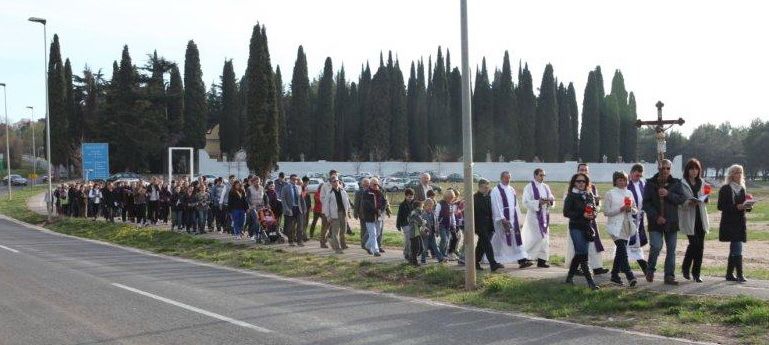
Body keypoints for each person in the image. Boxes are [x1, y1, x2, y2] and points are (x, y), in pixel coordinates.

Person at [643, 159, 687, 285]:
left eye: (668, 168)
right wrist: (656, 217)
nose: (665, 171)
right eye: (663, 168)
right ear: (658, 169)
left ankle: (669, 276)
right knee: (656, 246)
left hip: (671, 222)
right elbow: (646, 204)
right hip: (655, 222)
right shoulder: (651, 183)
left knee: (671, 250)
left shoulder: (676, 183)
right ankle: (650, 269)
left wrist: (668, 194)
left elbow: (681, 199)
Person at [566, 163, 609, 276]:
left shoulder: (592, 187)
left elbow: (597, 204)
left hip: (590, 220)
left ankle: (597, 267)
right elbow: (568, 210)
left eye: (585, 170)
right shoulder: (572, 188)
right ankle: (577, 269)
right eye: (581, 170)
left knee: (593, 244)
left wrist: (594, 212)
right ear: (577, 171)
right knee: (578, 247)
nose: (583, 171)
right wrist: (582, 213)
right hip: (576, 222)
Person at [563, 173, 600, 290]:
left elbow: (595, 210)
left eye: (583, 181)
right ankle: (591, 282)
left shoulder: (589, 195)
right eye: (578, 181)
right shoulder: (571, 195)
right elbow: (566, 212)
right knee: (583, 254)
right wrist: (582, 214)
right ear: (574, 182)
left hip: (587, 227)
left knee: (579, 254)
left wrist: (592, 214)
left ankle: (569, 278)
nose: (581, 183)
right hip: (575, 227)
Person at [490, 171, 533, 268]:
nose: (507, 180)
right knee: (500, 240)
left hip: (513, 218)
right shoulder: (496, 190)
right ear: (501, 178)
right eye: (506, 178)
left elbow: (515, 204)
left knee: (516, 239)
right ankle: (494, 259)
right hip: (503, 219)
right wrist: (502, 218)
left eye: (509, 178)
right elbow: (495, 205)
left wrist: (518, 217)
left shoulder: (512, 189)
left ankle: (522, 260)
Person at [603, 171, 638, 287]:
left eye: (624, 180)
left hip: (627, 224)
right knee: (622, 250)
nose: (622, 182)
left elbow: (635, 209)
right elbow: (606, 212)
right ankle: (630, 275)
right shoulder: (610, 193)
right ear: (615, 181)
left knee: (620, 251)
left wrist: (630, 210)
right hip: (615, 225)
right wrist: (621, 209)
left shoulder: (629, 192)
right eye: (620, 180)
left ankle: (614, 275)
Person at [679, 158, 710, 283]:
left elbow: (704, 197)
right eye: (692, 168)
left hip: (700, 217)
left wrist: (706, 198)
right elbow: (680, 201)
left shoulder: (702, 182)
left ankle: (696, 273)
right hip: (689, 218)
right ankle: (686, 267)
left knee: (700, 246)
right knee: (694, 244)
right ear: (687, 170)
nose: (694, 171)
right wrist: (688, 202)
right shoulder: (682, 183)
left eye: (696, 168)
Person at [718, 164, 751, 283]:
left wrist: (748, 205)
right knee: (737, 247)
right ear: (731, 174)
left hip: (740, 222)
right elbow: (720, 206)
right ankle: (740, 274)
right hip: (729, 223)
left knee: (734, 248)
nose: (739, 174)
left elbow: (744, 207)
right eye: (736, 172)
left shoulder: (742, 188)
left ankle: (729, 274)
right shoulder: (725, 188)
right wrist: (736, 207)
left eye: (740, 172)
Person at [522, 168, 555, 268]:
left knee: (545, 238)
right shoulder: (528, 187)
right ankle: (524, 258)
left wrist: (550, 201)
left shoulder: (546, 187)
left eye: (543, 175)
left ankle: (542, 260)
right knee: (536, 237)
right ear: (535, 175)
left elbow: (552, 198)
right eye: (540, 175)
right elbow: (525, 202)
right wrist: (538, 202)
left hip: (545, 215)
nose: (542, 177)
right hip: (534, 216)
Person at [474, 179, 504, 272]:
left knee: (481, 245)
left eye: (488, 187)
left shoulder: (490, 197)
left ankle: (475, 262)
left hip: (489, 225)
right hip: (480, 225)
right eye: (485, 187)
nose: (487, 189)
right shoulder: (474, 198)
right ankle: (493, 263)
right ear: (480, 187)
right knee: (487, 244)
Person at [627, 164, 649, 274]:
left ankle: (621, 266)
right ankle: (645, 266)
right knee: (632, 242)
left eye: (640, 176)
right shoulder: (626, 185)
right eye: (636, 175)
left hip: (640, 217)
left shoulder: (643, 183)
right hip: (628, 218)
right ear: (631, 173)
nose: (638, 178)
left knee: (633, 243)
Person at [322, 176, 350, 253]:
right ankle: (337, 249)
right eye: (334, 181)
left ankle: (343, 245)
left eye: (337, 181)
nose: (336, 182)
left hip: (343, 213)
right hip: (334, 215)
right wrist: (328, 216)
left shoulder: (343, 191)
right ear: (331, 183)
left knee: (343, 231)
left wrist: (348, 211)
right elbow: (326, 205)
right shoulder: (329, 192)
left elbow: (347, 201)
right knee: (335, 232)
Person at [362, 177, 386, 256]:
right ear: (371, 184)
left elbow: (384, 202)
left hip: (379, 217)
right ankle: (376, 251)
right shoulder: (366, 193)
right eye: (375, 184)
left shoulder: (379, 192)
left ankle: (368, 245)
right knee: (373, 234)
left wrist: (381, 210)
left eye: (377, 184)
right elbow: (367, 205)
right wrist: (376, 210)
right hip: (370, 217)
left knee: (378, 233)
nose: (376, 186)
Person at [280, 174, 306, 246]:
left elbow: (301, 199)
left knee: (300, 226)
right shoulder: (285, 188)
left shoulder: (299, 187)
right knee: (290, 226)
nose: (295, 181)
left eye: (296, 179)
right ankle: (291, 241)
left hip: (298, 208)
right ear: (290, 180)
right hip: (290, 209)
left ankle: (299, 241)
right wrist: (287, 209)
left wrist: (304, 208)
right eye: (294, 179)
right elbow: (283, 199)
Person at [435, 190, 458, 260]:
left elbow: (452, 215)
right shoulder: (440, 204)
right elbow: (436, 215)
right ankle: (440, 254)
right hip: (441, 225)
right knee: (444, 239)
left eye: (452, 198)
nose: (451, 200)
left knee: (447, 240)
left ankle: (444, 254)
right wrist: (436, 225)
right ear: (446, 197)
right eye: (450, 198)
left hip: (448, 225)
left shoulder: (450, 205)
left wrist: (454, 224)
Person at [396, 189, 416, 260]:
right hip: (405, 224)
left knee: (411, 240)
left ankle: (406, 252)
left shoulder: (415, 204)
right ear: (405, 196)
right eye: (409, 197)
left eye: (411, 196)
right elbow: (399, 215)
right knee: (408, 239)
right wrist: (398, 225)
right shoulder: (402, 205)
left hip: (413, 224)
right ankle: (409, 254)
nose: (410, 198)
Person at [406, 200, 426, 266]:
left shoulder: (417, 213)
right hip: (413, 234)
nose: (422, 208)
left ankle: (412, 259)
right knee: (416, 248)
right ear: (418, 207)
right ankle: (414, 262)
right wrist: (424, 222)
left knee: (421, 248)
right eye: (422, 207)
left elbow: (420, 222)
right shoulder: (414, 213)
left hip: (417, 233)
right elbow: (420, 221)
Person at [354, 178, 371, 249]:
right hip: (362, 214)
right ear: (362, 185)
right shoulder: (359, 192)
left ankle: (368, 243)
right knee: (364, 229)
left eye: (368, 185)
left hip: (370, 215)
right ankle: (363, 244)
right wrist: (355, 213)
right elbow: (356, 203)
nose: (366, 186)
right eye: (365, 185)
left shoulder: (371, 191)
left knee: (369, 230)